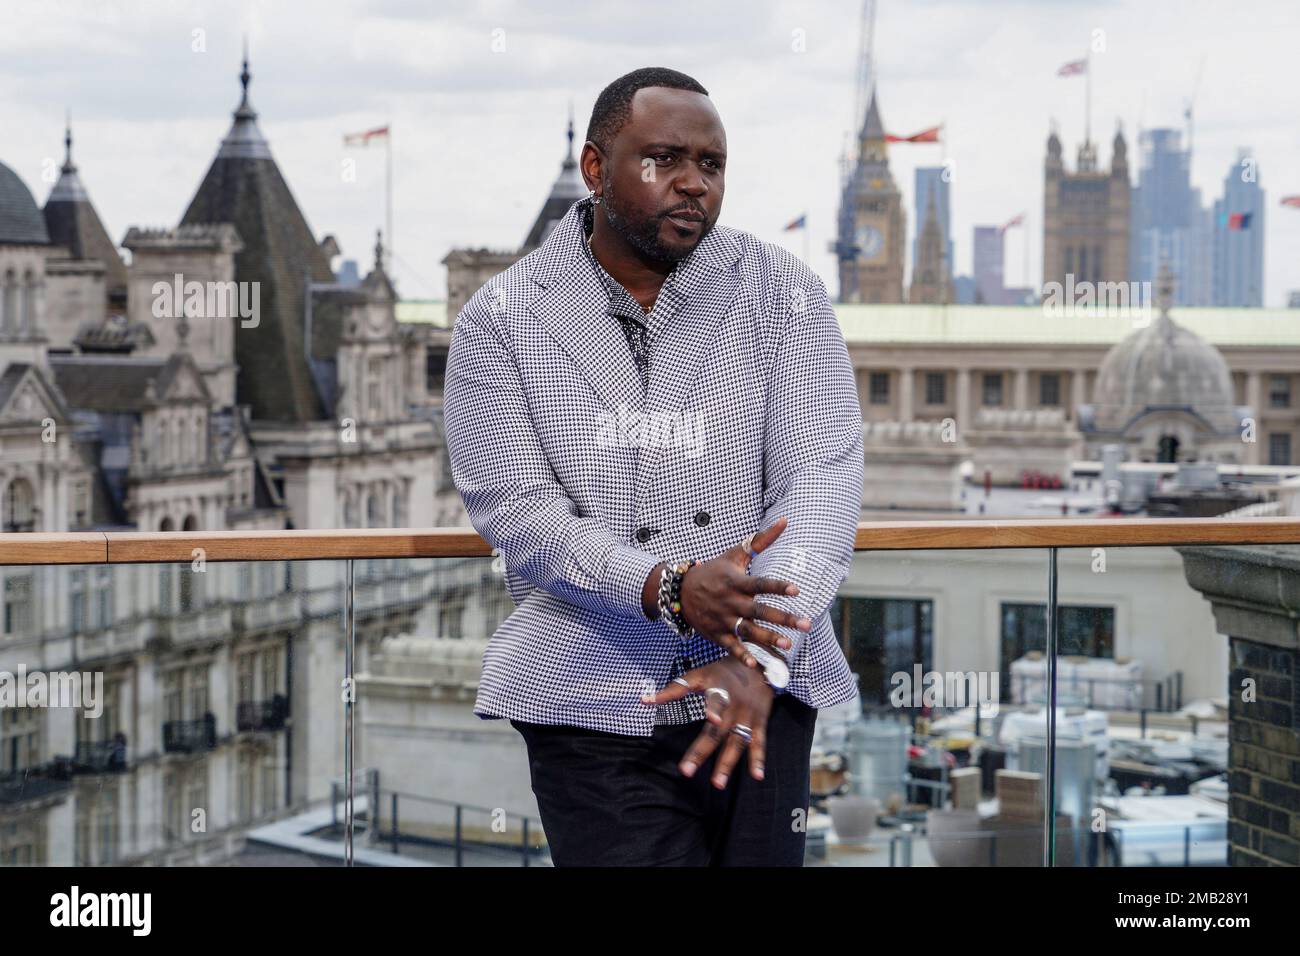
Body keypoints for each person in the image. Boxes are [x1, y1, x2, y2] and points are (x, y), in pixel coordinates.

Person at [443, 66, 863, 865]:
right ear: (596, 169)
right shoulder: (500, 320)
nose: (692, 184)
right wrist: (663, 586)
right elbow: (518, 513)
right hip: (590, 700)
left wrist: (757, 659)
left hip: (761, 697)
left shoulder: (787, 297)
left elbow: (821, 486)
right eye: (663, 158)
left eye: (710, 165)